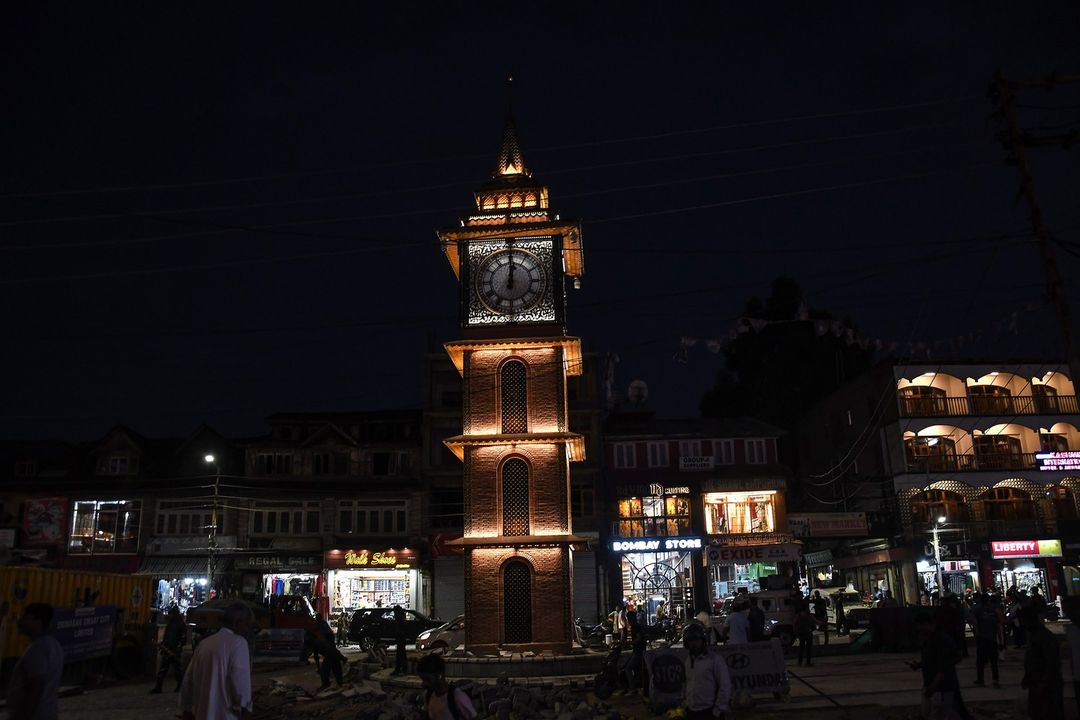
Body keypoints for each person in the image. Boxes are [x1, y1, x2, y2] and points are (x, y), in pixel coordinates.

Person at [180, 602, 254, 720]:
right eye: (247, 625)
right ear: (238, 623)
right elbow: (240, 686)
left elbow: (188, 682)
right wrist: (245, 709)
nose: (247, 630)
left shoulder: (204, 644)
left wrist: (187, 710)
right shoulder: (239, 643)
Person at [6, 602, 64, 720]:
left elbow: (35, 687)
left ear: (38, 621)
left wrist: (21, 717)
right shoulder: (54, 645)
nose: (20, 622)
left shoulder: (38, 648)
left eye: (25, 618)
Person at [908, 613, 960, 720]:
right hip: (934, 685)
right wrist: (919, 665)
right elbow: (932, 661)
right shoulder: (930, 639)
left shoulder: (940, 640)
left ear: (926, 624)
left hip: (941, 687)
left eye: (919, 626)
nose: (919, 629)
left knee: (940, 714)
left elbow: (944, 667)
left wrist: (932, 687)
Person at [1020, 607, 1064, 720]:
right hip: (1037, 680)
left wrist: (1044, 681)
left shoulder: (1043, 637)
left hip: (1046, 682)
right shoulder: (1034, 635)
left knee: (1048, 711)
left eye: (1024, 621)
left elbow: (1051, 662)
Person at [680, 623, 731, 720]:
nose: (694, 644)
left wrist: (717, 710)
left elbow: (725, 686)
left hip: (709, 712)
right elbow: (686, 683)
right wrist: (685, 704)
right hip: (692, 712)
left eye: (697, 640)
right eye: (691, 640)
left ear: (703, 641)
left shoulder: (715, 660)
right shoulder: (688, 661)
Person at [418, 653, 477, 719]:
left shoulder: (457, 697)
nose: (423, 684)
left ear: (439, 675)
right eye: (423, 680)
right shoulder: (429, 696)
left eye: (427, 679)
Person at [152, 606, 187, 694]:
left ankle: (180, 686)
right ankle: (158, 687)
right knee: (163, 668)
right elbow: (166, 636)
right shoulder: (171, 624)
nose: (169, 615)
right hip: (167, 649)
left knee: (177, 670)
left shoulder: (180, 624)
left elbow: (183, 638)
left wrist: (178, 649)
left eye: (171, 614)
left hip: (174, 650)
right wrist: (163, 644)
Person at [970, 593, 1000, 688]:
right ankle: (995, 680)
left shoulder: (977, 610)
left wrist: (977, 632)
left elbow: (974, 621)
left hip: (982, 637)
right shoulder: (993, 611)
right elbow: (997, 625)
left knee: (981, 660)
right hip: (992, 638)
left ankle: (980, 679)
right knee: (993, 661)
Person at [313, 615, 345, 692]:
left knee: (326, 669)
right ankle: (339, 683)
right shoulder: (322, 625)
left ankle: (326, 684)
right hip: (330, 647)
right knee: (335, 666)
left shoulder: (316, 638)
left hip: (329, 649)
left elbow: (316, 655)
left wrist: (318, 667)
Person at [623, 612, 647, 694]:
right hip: (638, 650)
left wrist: (630, 643)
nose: (628, 621)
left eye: (628, 619)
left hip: (639, 652)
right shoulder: (635, 626)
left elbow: (639, 638)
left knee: (628, 668)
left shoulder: (635, 627)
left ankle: (632, 687)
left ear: (631, 619)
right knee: (634, 668)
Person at [794, 601, 815, 667]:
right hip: (808, 633)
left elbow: (795, 624)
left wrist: (796, 632)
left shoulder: (798, 615)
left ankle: (800, 662)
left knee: (801, 648)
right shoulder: (808, 615)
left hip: (801, 633)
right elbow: (814, 621)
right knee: (808, 648)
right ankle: (808, 662)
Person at [392, 604, 408, 675]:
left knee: (400, 654)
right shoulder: (402, 616)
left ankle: (400, 669)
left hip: (400, 637)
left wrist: (398, 633)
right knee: (401, 654)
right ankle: (402, 669)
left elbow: (400, 627)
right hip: (401, 637)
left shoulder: (399, 617)